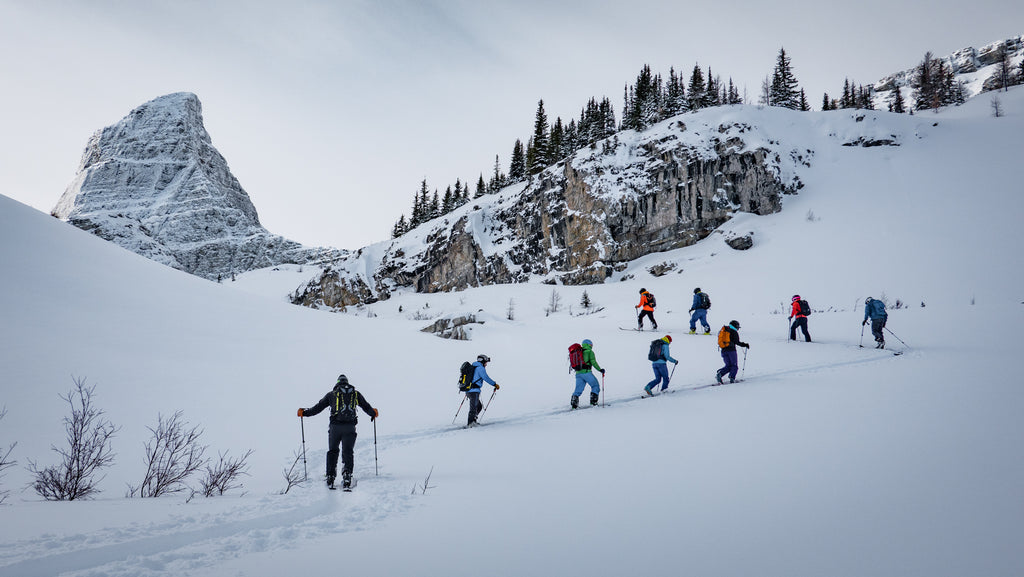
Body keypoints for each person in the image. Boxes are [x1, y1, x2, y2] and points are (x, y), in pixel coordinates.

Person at [297, 374, 378, 489]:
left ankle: (330, 476)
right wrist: (373, 413)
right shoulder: (355, 394)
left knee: (333, 451)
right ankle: (347, 475)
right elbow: (365, 406)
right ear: (347, 382)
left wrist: (304, 413)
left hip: (335, 428)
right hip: (350, 427)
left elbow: (318, 408)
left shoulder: (331, 394)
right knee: (348, 451)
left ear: (337, 383)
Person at [466, 354, 500, 427]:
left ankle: (473, 421)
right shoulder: (480, 368)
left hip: (470, 390)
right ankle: (470, 423)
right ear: (482, 361)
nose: (486, 364)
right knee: (474, 407)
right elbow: (486, 378)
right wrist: (494, 384)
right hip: (473, 391)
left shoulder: (474, 366)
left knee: (478, 406)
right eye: (486, 362)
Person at [571, 339, 605, 409]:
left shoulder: (578, 352)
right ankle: (593, 403)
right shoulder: (590, 352)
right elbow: (593, 362)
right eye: (591, 344)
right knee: (595, 386)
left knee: (578, 390)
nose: (592, 346)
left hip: (578, 374)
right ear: (589, 344)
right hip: (586, 373)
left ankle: (574, 406)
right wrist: (600, 370)